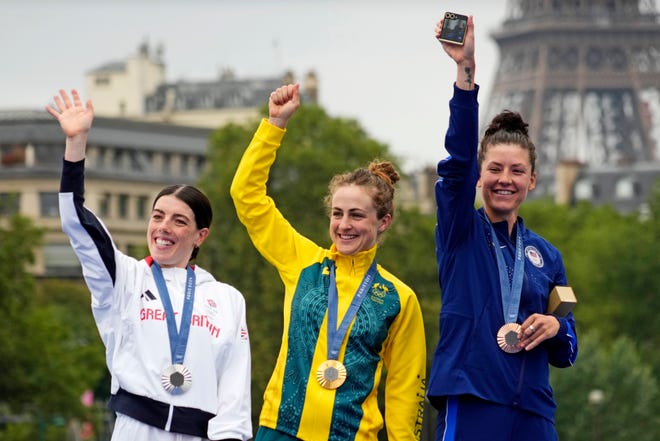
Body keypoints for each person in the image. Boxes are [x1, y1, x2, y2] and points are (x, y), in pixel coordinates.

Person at [46, 89, 252, 441]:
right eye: (157, 216)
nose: (163, 228)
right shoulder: (123, 278)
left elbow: (234, 390)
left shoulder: (227, 299)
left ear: (200, 235)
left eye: (178, 221)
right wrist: (76, 145)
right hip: (135, 430)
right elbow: (78, 224)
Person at [230, 84, 426, 441]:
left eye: (356, 215)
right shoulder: (302, 262)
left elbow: (404, 390)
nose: (344, 225)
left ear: (383, 221)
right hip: (280, 430)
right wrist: (274, 126)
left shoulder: (400, 298)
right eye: (337, 213)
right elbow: (246, 196)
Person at [427, 16, 578, 441]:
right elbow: (456, 162)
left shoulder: (546, 255)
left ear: (532, 180)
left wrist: (557, 328)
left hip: (533, 411)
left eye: (517, 171)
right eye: (494, 169)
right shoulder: (460, 231)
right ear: (479, 176)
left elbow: (568, 353)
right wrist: (465, 73)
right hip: (472, 398)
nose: (504, 179)